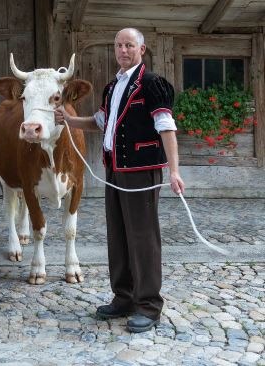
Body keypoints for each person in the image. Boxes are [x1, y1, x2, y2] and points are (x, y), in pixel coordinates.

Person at [54, 27, 185, 334]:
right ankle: (124, 297)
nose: (123, 50)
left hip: (141, 173)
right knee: (119, 235)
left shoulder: (153, 85)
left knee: (143, 239)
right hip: (115, 172)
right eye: (119, 45)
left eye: (129, 45)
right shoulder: (113, 87)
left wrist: (175, 171)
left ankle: (149, 306)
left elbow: (166, 127)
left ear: (142, 50)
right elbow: (99, 122)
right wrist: (69, 120)